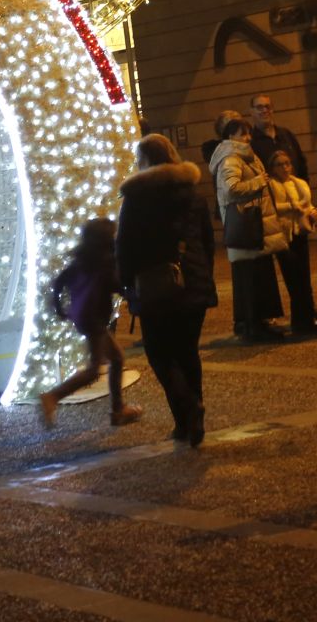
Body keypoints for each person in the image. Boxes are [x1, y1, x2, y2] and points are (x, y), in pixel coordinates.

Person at [116, 134, 215, 445]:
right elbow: (207, 241)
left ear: (144, 161)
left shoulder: (137, 196)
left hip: (155, 286)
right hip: (194, 282)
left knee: (160, 354)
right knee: (187, 353)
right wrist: (202, 276)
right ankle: (189, 421)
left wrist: (125, 283)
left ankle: (187, 412)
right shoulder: (192, 192)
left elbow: (125, 246)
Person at [39, 218, 143, 428]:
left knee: (116, 358)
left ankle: (118, 411)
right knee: (94, 369)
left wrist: (60, 308)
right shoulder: (105, 262)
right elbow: (119, 286)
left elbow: (59, 282)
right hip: (95, 320)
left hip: (84, 317)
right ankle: (53, 396)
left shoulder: (81, 260)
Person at [209, 111, 285, 341]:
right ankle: (254, 325)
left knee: (258, 275)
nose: (248, 138)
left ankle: (257, 322)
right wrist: (258, 182)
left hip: (255, 225)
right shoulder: (232, 158)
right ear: (232, 135)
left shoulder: (243, 156)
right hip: (248, 225)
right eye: (244, 134)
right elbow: (232, 188)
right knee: (251, 277)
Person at [265, 149, 317, 334]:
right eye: (279, 164)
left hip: (300, 233)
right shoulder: (271, 186)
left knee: (304, 278)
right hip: (283, 236)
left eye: (287, 163)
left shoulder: (300, 184)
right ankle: (300, 320)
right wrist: (292, 207)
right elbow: (272, 208)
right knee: (293, 279)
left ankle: (307, 318)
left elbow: (308, 205)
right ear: (273, 168)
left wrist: (313, 213)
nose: (284, 168)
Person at [248, 92, 308, 182]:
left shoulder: (287, 135)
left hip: (294, 191)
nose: (264, 110)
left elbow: (301, 164)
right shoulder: (250, 141)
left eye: (267, 107)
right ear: (251, 112)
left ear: (272, 110)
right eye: (259, 107)